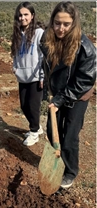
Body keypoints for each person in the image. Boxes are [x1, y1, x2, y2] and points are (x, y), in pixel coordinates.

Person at [40, 1, 96, 189]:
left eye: (66, 24)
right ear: (52, 21)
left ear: (74, 23)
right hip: (56, 93)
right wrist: (48, 90)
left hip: (77, 95)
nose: (61, 28)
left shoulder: (86, 48)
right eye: (57, 23)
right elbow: (47, 67)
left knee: (70, 136)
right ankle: (58, 162)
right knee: (52, 131)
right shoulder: (46, 40)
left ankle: (70, 171)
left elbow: (85, 80)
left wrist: (61, 99)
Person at [11, 2, 45, 146]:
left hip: (36, 77)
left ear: (32, 16)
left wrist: (43, 76)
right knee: (24, 106)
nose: (22, 18)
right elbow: (16, 54)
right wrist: (15, 67)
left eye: (26, 14)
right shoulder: (18, 33)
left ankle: (34, 133)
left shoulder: (39, 33)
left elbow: (44, 56)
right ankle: (37, 127)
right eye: (20, 15)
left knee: (33, 105)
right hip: (22, 76)